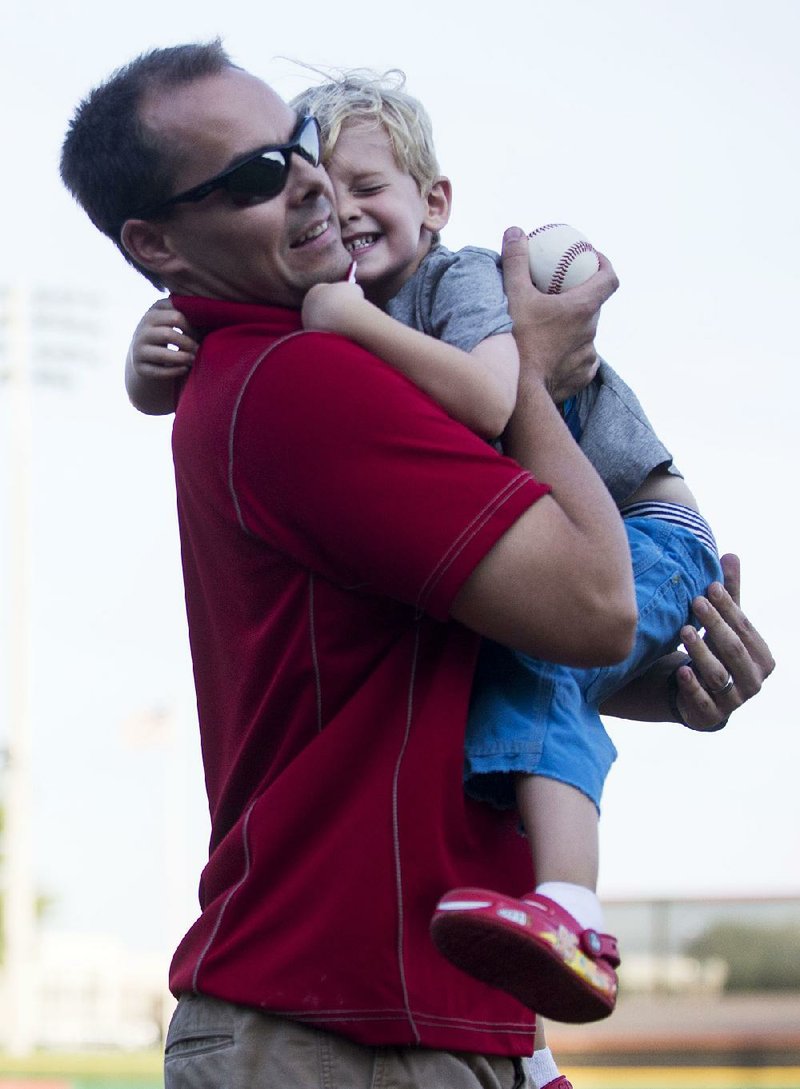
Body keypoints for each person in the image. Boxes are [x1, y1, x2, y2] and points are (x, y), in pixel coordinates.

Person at [61, 43, 773, 1089]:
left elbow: (470, 647)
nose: (308, 183)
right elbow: (590, 603)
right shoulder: (304, 378)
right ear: (156, 241)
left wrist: (660, 691)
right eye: (259, 176)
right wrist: (531, 364)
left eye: (297, 148)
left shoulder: (312, 357)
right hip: (341, 1024)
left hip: (394, 1018)